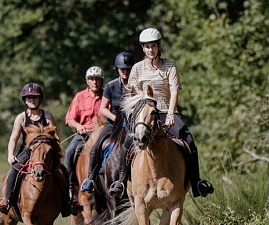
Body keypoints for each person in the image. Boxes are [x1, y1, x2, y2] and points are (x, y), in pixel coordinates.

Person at [108, 28, 214, 198]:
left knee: (189, 140)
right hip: (144, 114)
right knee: (127, 142)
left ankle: (196, 182)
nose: (151, 50)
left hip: (165, 111)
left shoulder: (169, 66)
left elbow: (174, 91)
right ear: (143, 48)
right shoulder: (137, 68)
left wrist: (171, 113)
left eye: (153, 46)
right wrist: (135, 115)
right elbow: (133, 94)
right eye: (147, 47)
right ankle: (120, 182)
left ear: (159, 47)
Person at [0, 83, 79, 217]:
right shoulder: (21, 118)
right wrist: (10, 155)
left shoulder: (48, 116)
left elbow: (55, 136)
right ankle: (7, 200)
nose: (32, 100)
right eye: (29, 97)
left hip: (45, 152)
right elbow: (13, 139)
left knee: (63, 171)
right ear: (24, 100)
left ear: (40, 99)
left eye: (35, 97)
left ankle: (67, 203)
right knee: (15, 170)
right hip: (27, 151)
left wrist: (55, 144)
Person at [81, 51, 135, 193]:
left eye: (128, 69)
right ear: (117, 69)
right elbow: (102, 109)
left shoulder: (137, 85)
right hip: (114, 121)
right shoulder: (111, 86)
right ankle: (90, 179)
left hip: (132, 121)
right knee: (96, 147)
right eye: (122, 69)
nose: (125, 72)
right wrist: (115, 118)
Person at [63, 66, 105, 204]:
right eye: (91, 79)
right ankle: (68, 185)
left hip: (101, 135)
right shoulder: (79, 97)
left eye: (97, 79)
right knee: (69, 152)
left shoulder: (106, 96)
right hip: (83, 134)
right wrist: (78, 126)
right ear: (87, 81)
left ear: (101, 81)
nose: (95, 82)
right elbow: (69, 119)